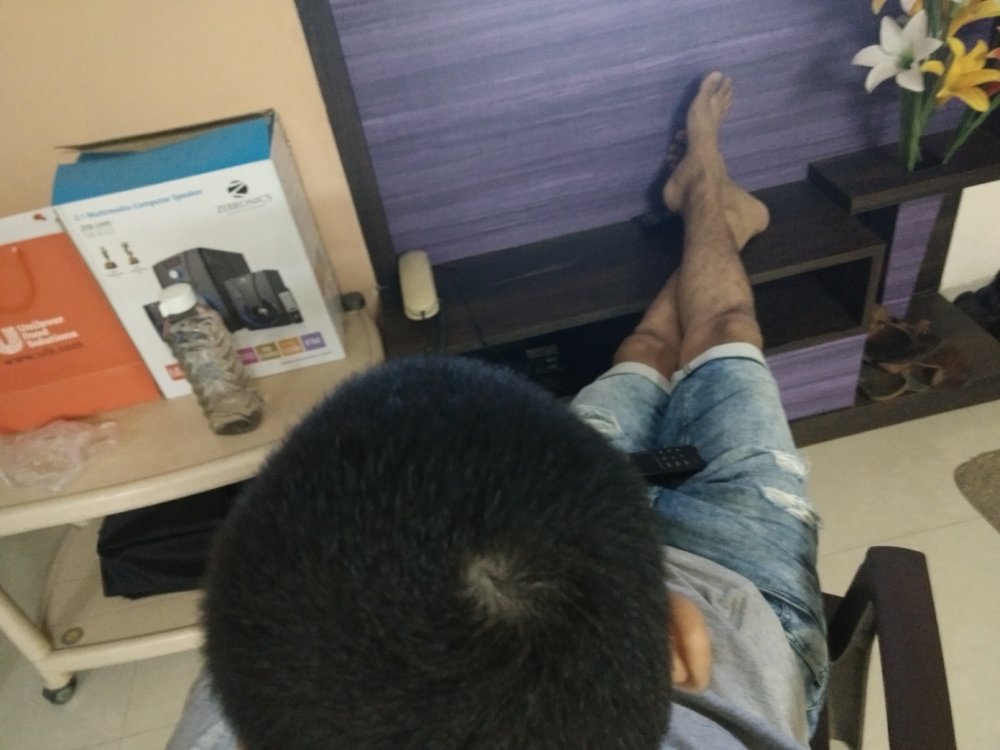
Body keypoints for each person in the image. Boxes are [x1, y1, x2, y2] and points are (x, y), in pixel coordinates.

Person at [167, 71, 827, 750]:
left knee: (644, 349)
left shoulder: (244, 711)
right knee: (724, 327)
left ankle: (712, 210)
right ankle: (708, 200)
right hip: (729, 586)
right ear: (680, 653)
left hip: (580, 572)